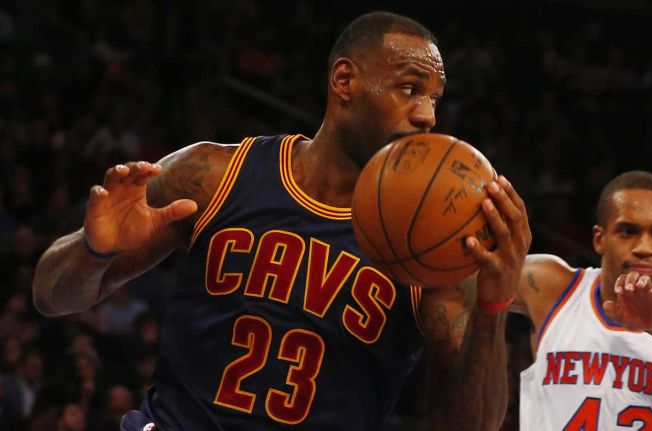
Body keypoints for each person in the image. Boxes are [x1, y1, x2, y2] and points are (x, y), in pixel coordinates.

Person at [32, 11, 531, 431]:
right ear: (345, 81)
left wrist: (493, 305)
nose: (427, 115)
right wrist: (92, 252)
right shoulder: (215, 175)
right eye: (409, 88)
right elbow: (52, 297)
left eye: (434, 99)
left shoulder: (436, 252)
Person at [512, 170, 652, 430]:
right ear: (599, 238)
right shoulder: (552, 289)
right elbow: (467, 283)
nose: (644, 247)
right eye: (628, 231)